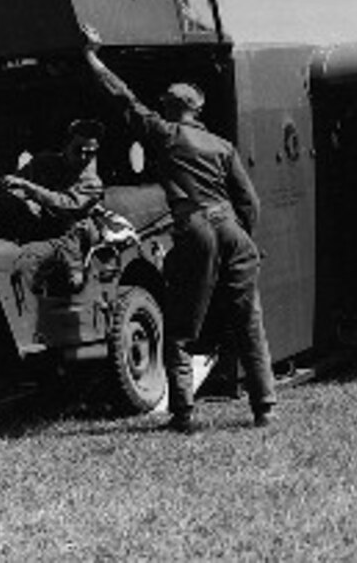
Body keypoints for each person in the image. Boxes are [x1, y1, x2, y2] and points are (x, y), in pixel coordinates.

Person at [84, 42, 277, 433]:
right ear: (198, 110)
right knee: (248, 323)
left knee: (181, 329)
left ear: (172, 108)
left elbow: (123, 97)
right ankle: (264, 408)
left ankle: (184, 413)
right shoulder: (223, 147)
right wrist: (247, 239)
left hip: (196, 231)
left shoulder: (166, 134)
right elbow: (250, 202)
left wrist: (91, 57)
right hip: (234, 232)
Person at [0, 119, 105, 296]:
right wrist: (24, 199)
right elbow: (15, 185)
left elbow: (64, 204)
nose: (84, 158)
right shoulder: (44, 163)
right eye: (79, 150)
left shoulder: (92, 185)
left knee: (23, 261)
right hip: (35, 227)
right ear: (66, 145)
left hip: (67, 237)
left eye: (90, 153)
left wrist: (29, 189)